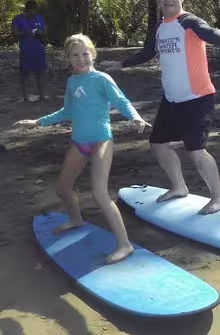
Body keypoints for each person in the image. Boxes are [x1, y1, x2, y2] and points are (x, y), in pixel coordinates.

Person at [100, 0, 220, 215]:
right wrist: (120, 63)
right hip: (171, 99)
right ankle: (179, 187)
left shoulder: (187, 21)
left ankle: (218, 197)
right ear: (158, 0)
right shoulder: (161, 27)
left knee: (197, 151)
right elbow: (148, 52)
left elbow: (206, 30)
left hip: (197, 97)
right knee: (158, 145)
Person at [13, 34, 151, 264]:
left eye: (85, 53)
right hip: (79, 142)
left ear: (93, 54)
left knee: (99, 193)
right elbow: (66, 111)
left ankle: (125, 245)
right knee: (63, 188)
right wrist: (37, 122)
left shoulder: (102, 79)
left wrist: (135, 117)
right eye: (75, 55)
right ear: (67, 58)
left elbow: (122, 101)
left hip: (101, 141)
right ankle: (76, 220)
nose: (81, 59)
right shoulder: (72, 82)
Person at [12, 0, 48, 102]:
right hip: (26, 49)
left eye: (35, 10)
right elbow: (15, 32)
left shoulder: (39, 18)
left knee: (40, 73)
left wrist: (42, 32)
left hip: (39, 49)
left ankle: (42, 96)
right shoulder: (18, 18)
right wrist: (26, 32)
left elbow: (44, 30)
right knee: (24, 74)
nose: (33, 12)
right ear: (27, 9)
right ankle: (25, 97)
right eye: (31, 10)